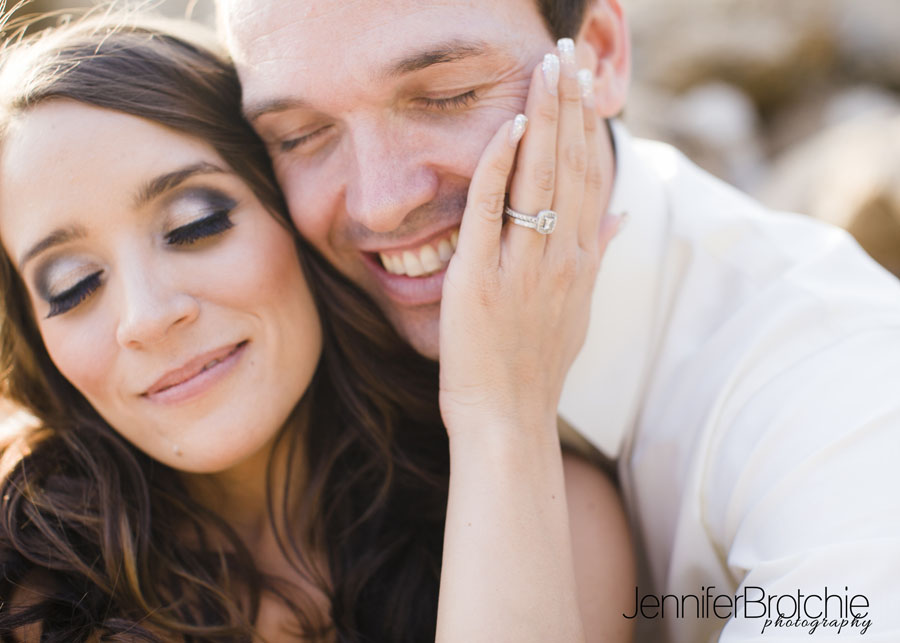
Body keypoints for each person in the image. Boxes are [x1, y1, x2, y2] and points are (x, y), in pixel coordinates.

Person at [219, 0, 900, 640]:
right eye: (300, 135)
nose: (379, 203)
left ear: (598, 55)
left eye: (446, 95)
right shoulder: (272, 339)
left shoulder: (845, 392)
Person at [0, 14, 633, 642]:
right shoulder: (29, 592)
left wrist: (500, 417)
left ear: (288, 211)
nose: (147, 318)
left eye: (196, 225)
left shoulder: (555, 515)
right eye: (73, 287)